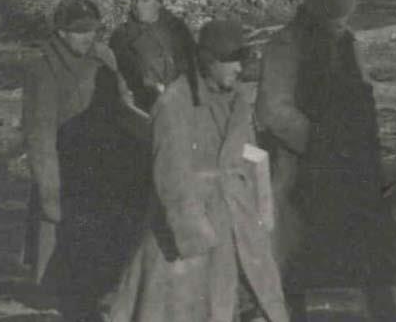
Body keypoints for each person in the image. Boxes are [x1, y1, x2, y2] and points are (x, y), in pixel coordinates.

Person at [106, 18, 289, 322]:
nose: (239, 69)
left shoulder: (238, 102)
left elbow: (248, 156)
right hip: (190, 235)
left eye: (241, 61)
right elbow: (171, 177)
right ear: (209, 61)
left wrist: (261, 210)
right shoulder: (174, 104)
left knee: (251, 303)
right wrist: (195, 235)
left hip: (237, 223)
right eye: (231, 61)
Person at [256, 0, 396, 321]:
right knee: (298, 263)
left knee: (373, 255)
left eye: (345, 19)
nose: (341, 26)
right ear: (317, 12)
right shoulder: (285, 46)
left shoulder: (348, 42)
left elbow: (363, 96)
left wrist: (367, 148)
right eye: (335, 20)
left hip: (353, 168)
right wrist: (321, 140)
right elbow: (272, 110)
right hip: (303, 170)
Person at [22, 0, 126, 321]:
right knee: (57, 261)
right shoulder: (44, 69)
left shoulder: (104, 59)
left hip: (101, 170)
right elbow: (40, 137)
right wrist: (49, 193)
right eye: (79, 31)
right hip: (63, 172)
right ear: (61, 32)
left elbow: (122, 105)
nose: (87, 37)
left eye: (91, 30)